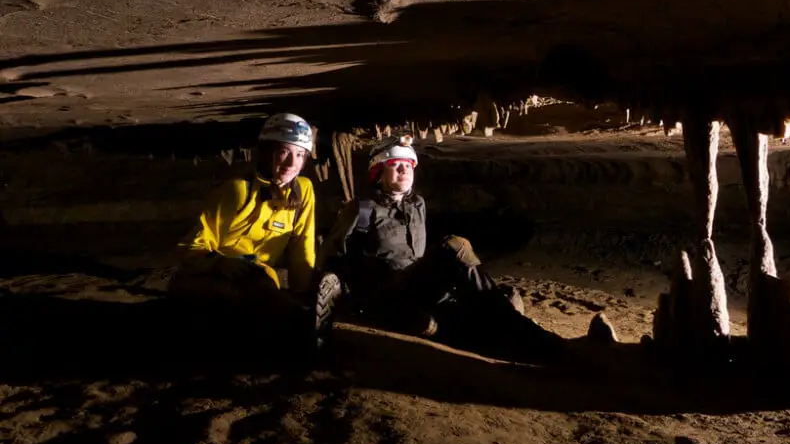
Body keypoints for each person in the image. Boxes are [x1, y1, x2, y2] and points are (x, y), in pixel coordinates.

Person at [318, 134, 597, 364]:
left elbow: (417, 256)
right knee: (457, 245)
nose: (404, 170)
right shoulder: (362, 209)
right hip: (387, 291)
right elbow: (333, 255)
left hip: (417, 287)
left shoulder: (417, 205)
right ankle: (523, 329)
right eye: (395, 165)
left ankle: (545, 351)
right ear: (379, 172)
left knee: (492, 305)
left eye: (408, 165)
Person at [168, 113, 340, 354]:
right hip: (210, 277)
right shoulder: (238, 191)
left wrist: (305, 290)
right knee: (250, 299)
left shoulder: (303, 191)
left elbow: (303, 244)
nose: (291, 164)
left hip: (260, 277)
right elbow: (189, 248)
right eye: (284, 152)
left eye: (300, 155)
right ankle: (298, 326)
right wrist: (219, 262)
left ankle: (302, 320)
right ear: (267, 151)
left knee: (263, 289)